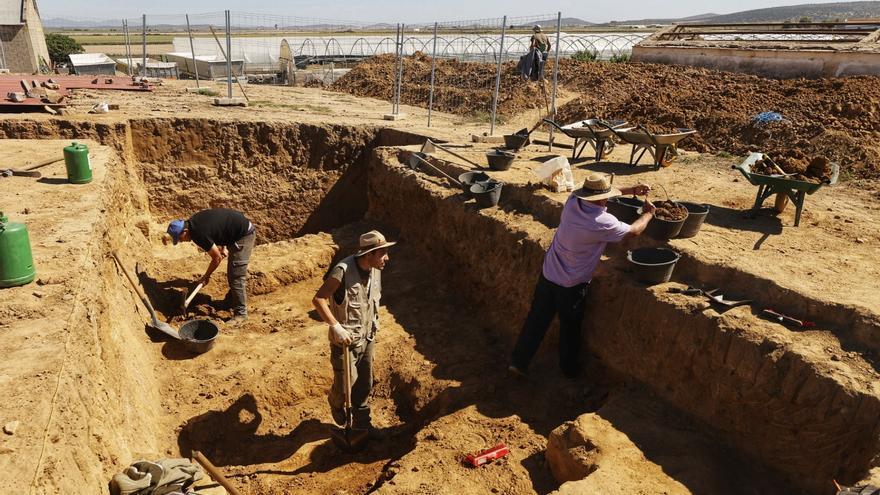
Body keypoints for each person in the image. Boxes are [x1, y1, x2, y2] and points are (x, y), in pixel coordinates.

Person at [509, 173, 654, 379]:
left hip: (549, 273)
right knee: (570, 328)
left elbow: (601, 195)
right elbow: (632, 231)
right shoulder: (601, 222)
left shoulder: (572, 203)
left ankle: (519, 362)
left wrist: (632, 190)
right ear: (603, 198)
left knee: (536, 320)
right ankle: (569, 370)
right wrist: (648, 214)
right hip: (572, 285)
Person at [312, 230, 396, 439]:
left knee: (364, 383)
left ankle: (363, 425)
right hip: (345, 342)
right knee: (344, 386)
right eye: (383, 253)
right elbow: (319, 299)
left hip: (367, 337)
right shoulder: (342, 271)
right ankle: (335, 402)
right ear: (369, 254)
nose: (387, 257)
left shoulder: (376, 268)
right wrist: (335, 326)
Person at [167, 208, 256, 325]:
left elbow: (217, 258)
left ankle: (241, 314)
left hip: (243, 235)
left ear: (185, 231)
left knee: (236, 276)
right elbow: (219, 226)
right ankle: (231, 302)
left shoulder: (198, 233)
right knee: (233, 273)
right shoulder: (194, 222)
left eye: (179, 238)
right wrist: (224, 246)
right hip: (235, 232)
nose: (180, 241)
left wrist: (206, 276)